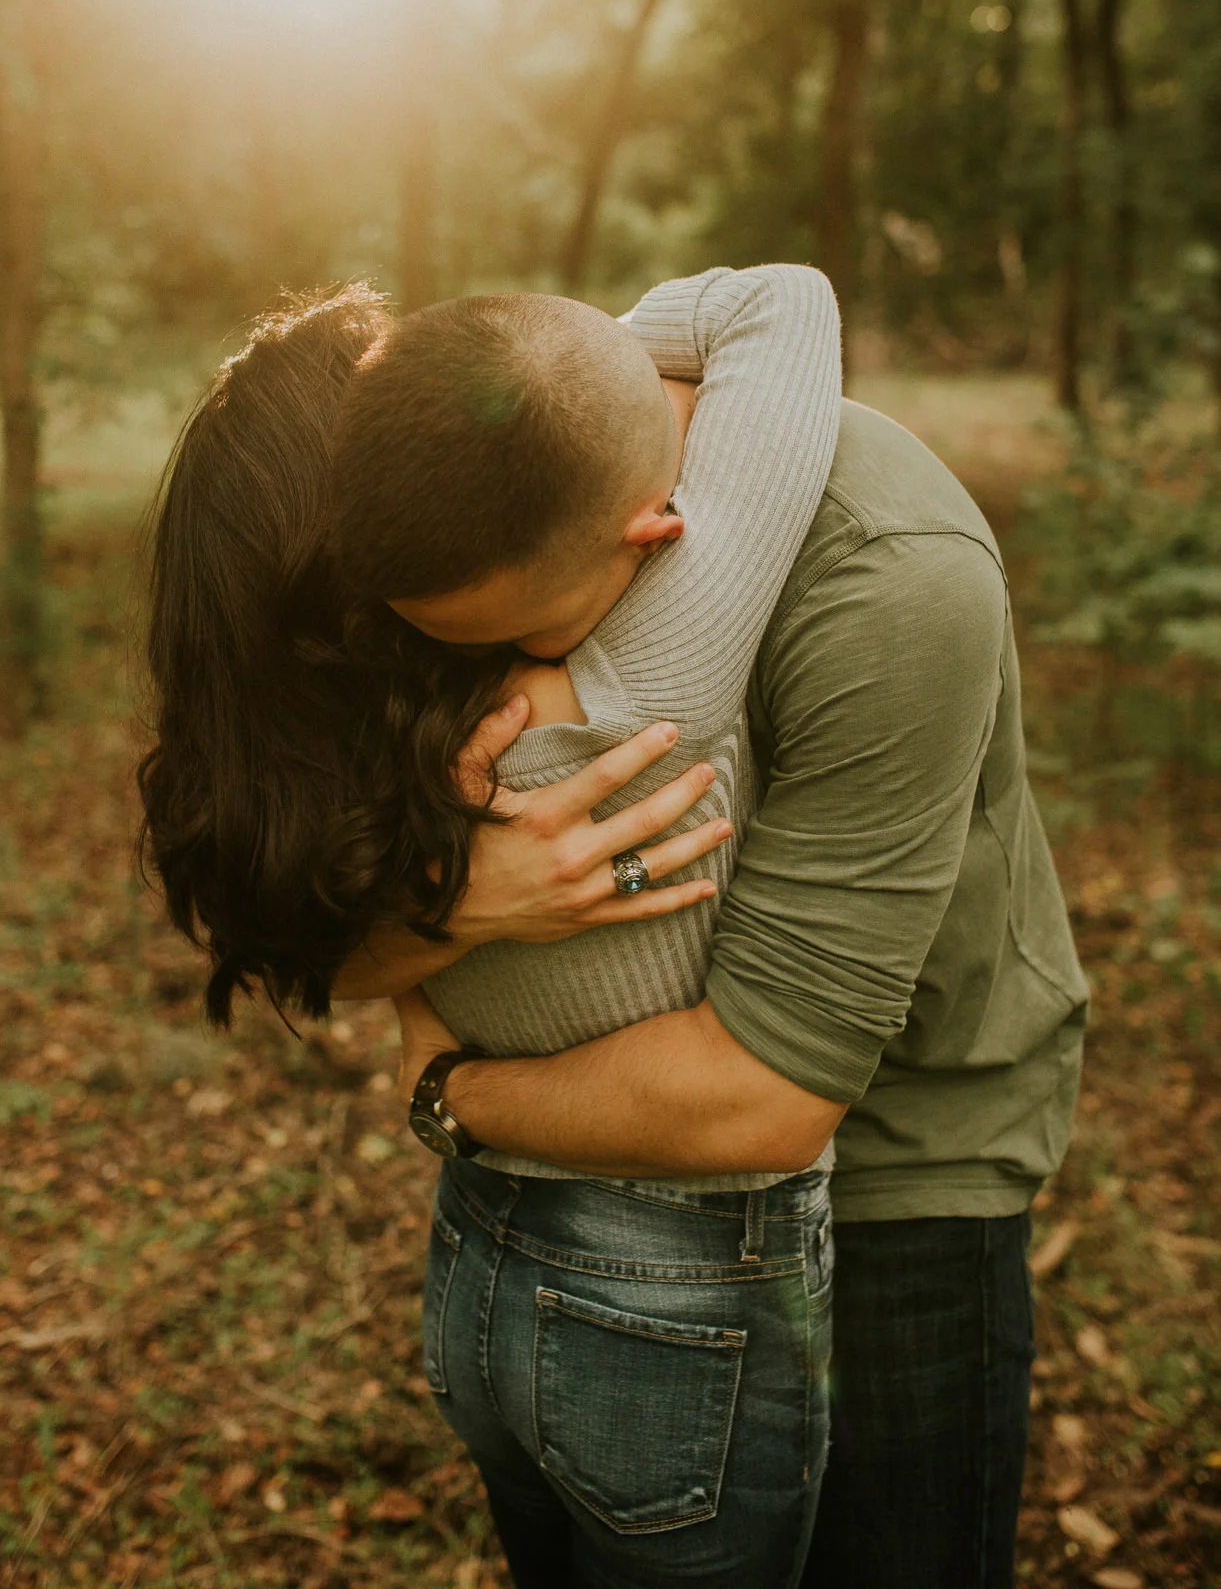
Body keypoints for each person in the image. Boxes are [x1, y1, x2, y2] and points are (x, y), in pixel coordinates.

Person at [139, 265, 845, 1587]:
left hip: (477, 1271)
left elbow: (331, 971)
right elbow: (784, 303)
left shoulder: (384, 786)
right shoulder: (652, 664)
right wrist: (558, 390)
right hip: (674, 1289)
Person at [344, 376, 1090, 1589]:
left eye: (526, 639)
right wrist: (467, 899)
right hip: (602, 1190)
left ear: (650, 531)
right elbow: (316, 943)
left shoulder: (890, 574)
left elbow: (767, 1098)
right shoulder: (499, 487)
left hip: (900, 1158)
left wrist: (449, 1089)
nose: (518, 684)